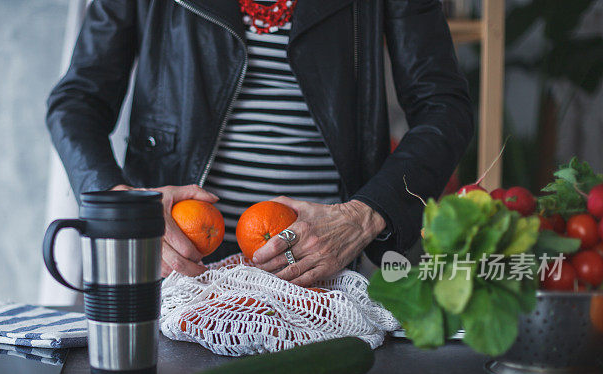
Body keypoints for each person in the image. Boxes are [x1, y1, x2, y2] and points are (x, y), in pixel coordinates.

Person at [47, 0, 473, 286]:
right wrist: (123, 207)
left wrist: (362, 217)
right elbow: (76, 103)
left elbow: (445, 109)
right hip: (173, 273)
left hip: (322, 277)